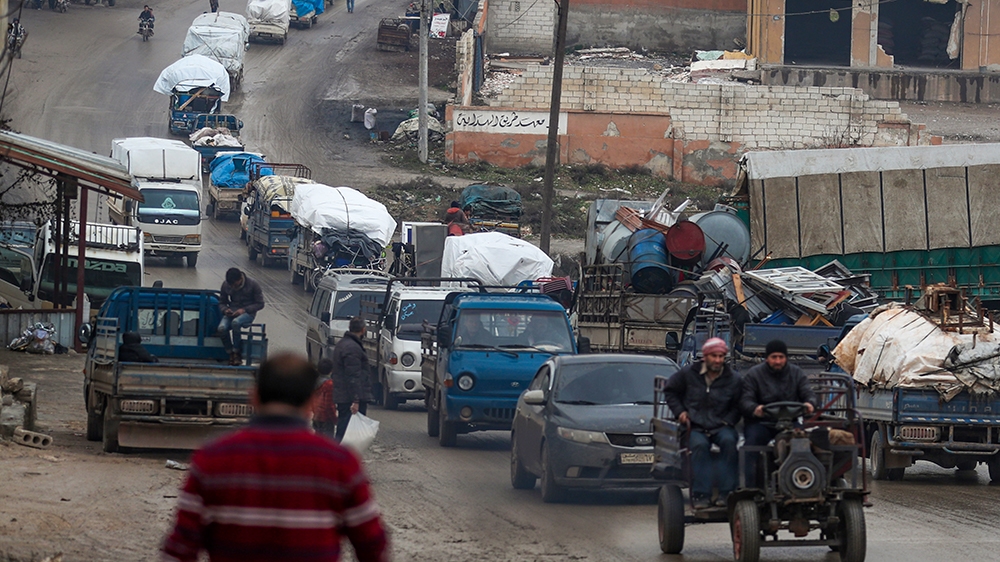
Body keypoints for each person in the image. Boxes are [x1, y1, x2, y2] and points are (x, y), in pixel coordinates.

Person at [160, 353, 388, 562]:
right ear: (312, 402)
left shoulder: (212, 459)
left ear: (255, 397)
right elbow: (372, 546)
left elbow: (179, 550)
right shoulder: (340, 463)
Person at [662, 337, 741, 508]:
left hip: (721, 425)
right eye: (714, 356)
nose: (718, 360)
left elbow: (738, 404)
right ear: (705, 356)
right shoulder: (688, 374)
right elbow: (670, 391)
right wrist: (680, 412)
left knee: (730, 442)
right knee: (698, 447)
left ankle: (726, 493)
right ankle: (701, 494)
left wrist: (729, 421)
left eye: (721, 356)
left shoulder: (733, 378)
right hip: (695, 426)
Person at [740, 339, 818, 486]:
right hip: (761, 423)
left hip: (790, 423)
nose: (777, 361)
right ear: (766, 358)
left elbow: (808, 392)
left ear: (786, 358)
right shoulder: (754, 375)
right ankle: (749, 487)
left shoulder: (796, 373)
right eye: (774, 357)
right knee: (751, 447)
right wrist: (755, 408)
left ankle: (803, 482)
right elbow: (745, 399)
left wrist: (810, 403)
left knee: (806, 445)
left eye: (781, 357)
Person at [332, 317, 373, 441]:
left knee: (344, 429)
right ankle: (342, 457)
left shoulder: (343, 344)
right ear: (363, 329)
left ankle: (340, 455)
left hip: (343, 395)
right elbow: (353, 375)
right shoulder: (353, 348)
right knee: (348, 433)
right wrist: (356, 400)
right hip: (349, 397)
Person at [217, 268, 265, 366]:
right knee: (221, 329)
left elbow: (260, 304)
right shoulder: (226, 285)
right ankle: (230, 352)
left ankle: (236, 352)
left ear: (240, 279)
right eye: (231, 285)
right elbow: (222, 302)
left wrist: (244, 310)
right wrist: (225, 310)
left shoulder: (253, 284)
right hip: (232, 311)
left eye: (234, 284)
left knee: (236, 323)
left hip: (248, 313)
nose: (233, 287)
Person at [312, 358, 337, 437]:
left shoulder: (315, 381)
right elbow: (329, 404)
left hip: (316, 416)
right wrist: (335, 419)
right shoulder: (329, 384)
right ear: (331, 370)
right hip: (326, 418)